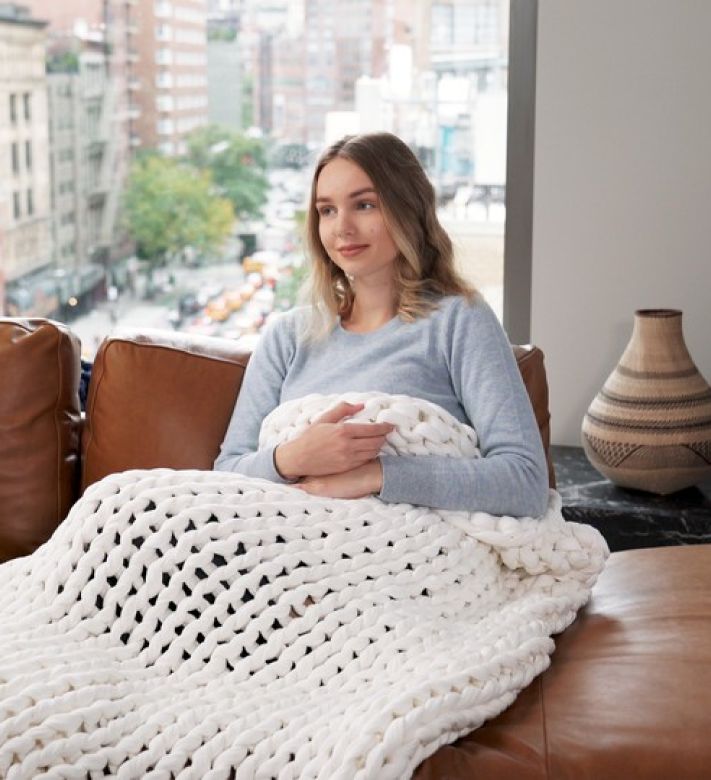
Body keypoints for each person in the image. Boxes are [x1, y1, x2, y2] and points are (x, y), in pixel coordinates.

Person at [214, 132, 549, 518]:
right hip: (281, 541)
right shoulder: (287, 337)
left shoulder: (459, 320)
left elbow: (525, 482)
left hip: (394, 557)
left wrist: (375, 475)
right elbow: (226, 474)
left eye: (365, 205)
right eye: (327, 210)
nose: (342, 228)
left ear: (408, 209)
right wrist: (292, 458)